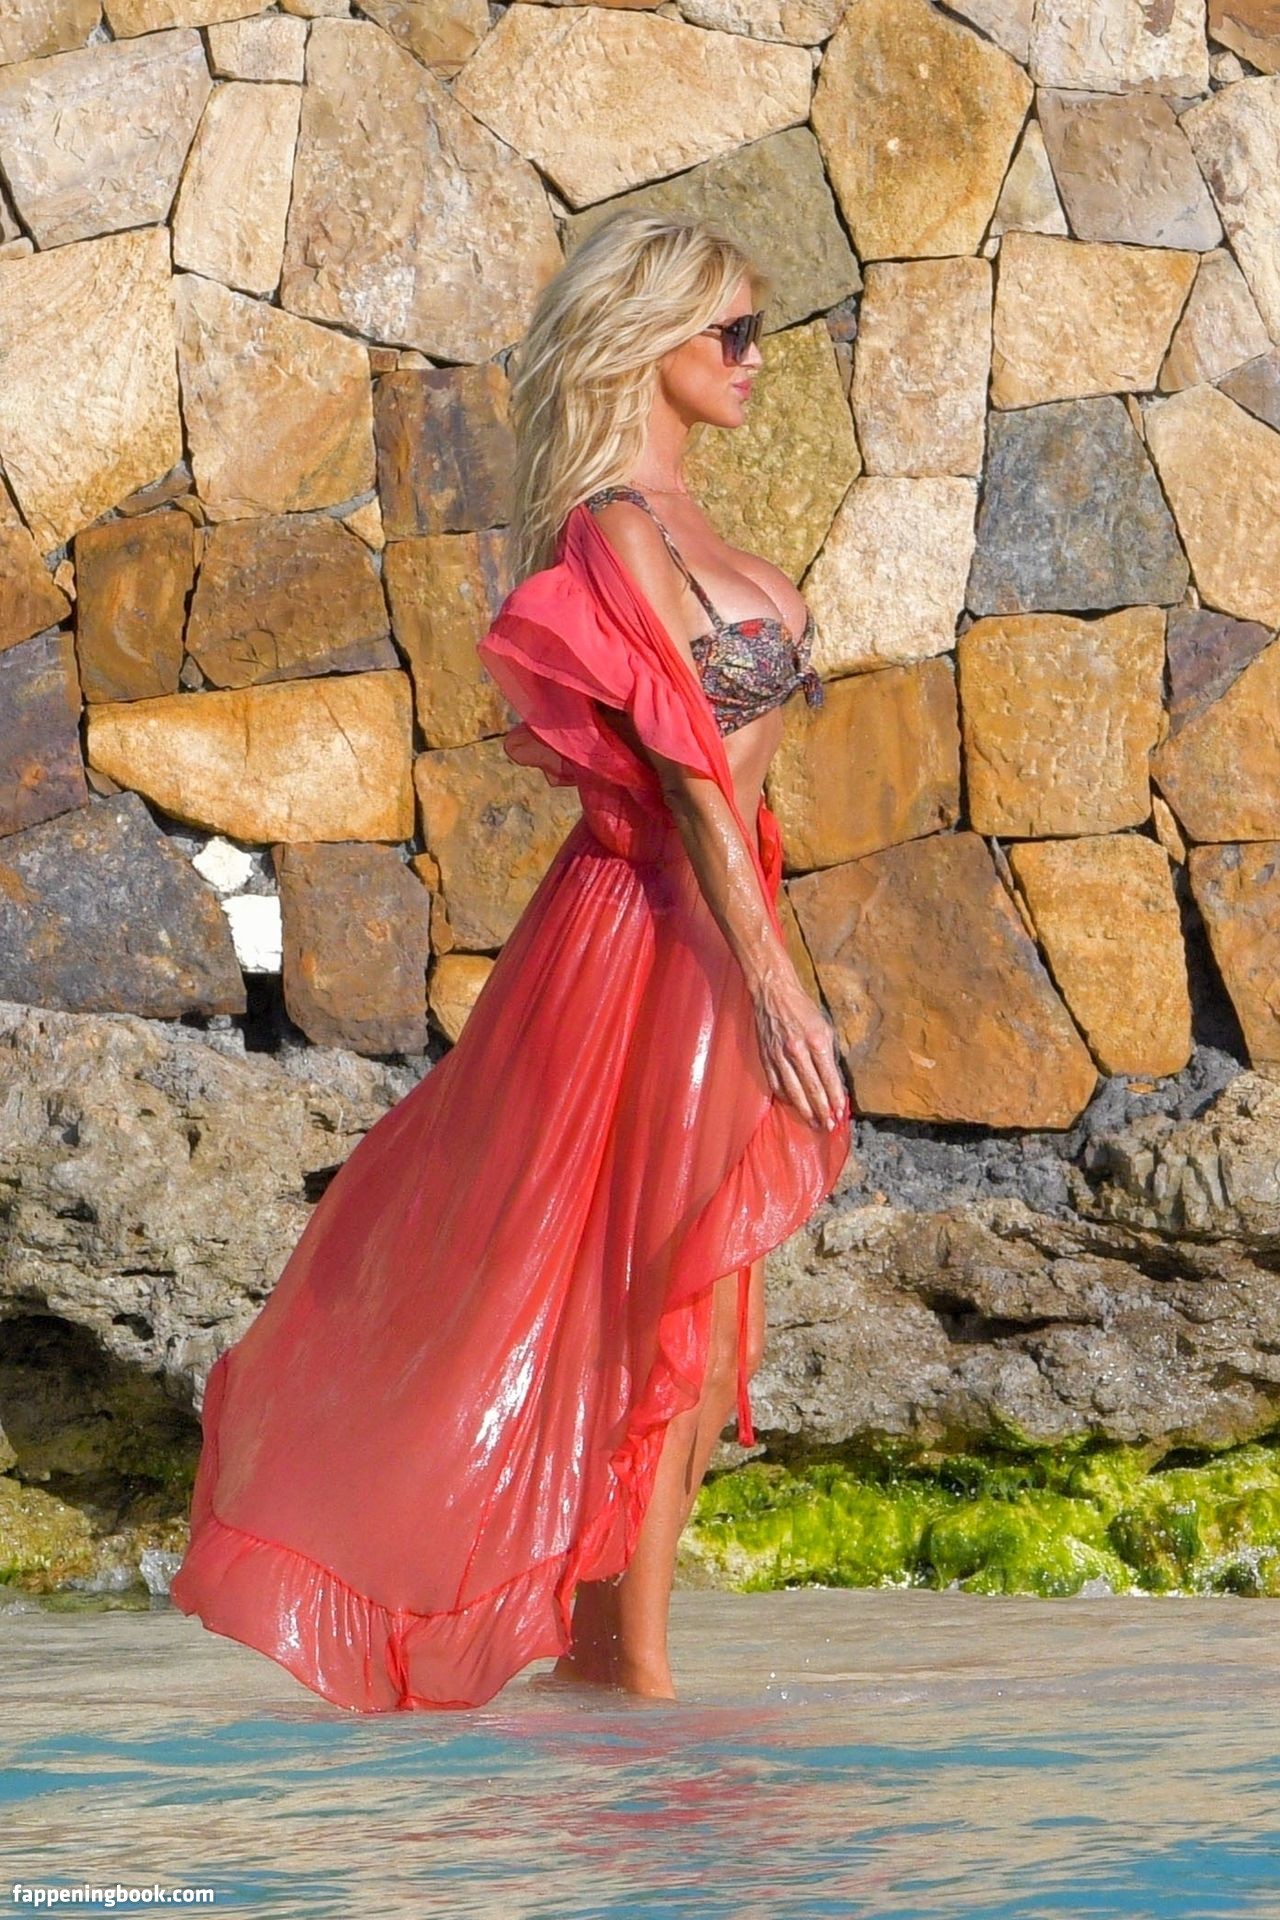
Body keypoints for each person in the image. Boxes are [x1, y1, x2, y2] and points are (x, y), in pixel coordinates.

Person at [169, 210, 853, 1714]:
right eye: (732, 332)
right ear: (650, 343)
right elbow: (687, 775)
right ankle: (632, 1685)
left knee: (690, 1315)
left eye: (758, 331)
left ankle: (613, 1675)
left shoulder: (683, 528)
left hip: (713, 933)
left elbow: (737, 798)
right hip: (649, 940)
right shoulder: (613, 532)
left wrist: (764, 956)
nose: (757, 358)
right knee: (650, 1314)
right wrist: (775, 980)